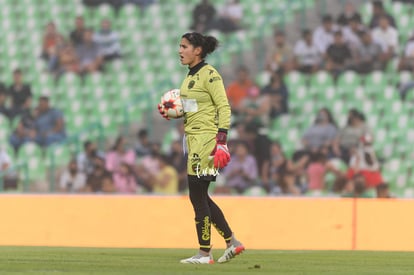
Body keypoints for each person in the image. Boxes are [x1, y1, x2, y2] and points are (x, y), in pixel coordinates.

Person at [158, 32, 244, 264]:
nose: (180, 50)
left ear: (198, 50)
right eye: (180, 46)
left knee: (197, 197)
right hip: (193, 140)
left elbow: (223, 107)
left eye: (184, 46)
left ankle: (205, 253)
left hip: (206, 141)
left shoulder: (210, 75)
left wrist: (222, 141)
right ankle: (231, 242)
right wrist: (174, 111)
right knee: (201, 196)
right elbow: (196, 108)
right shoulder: (189, 78)